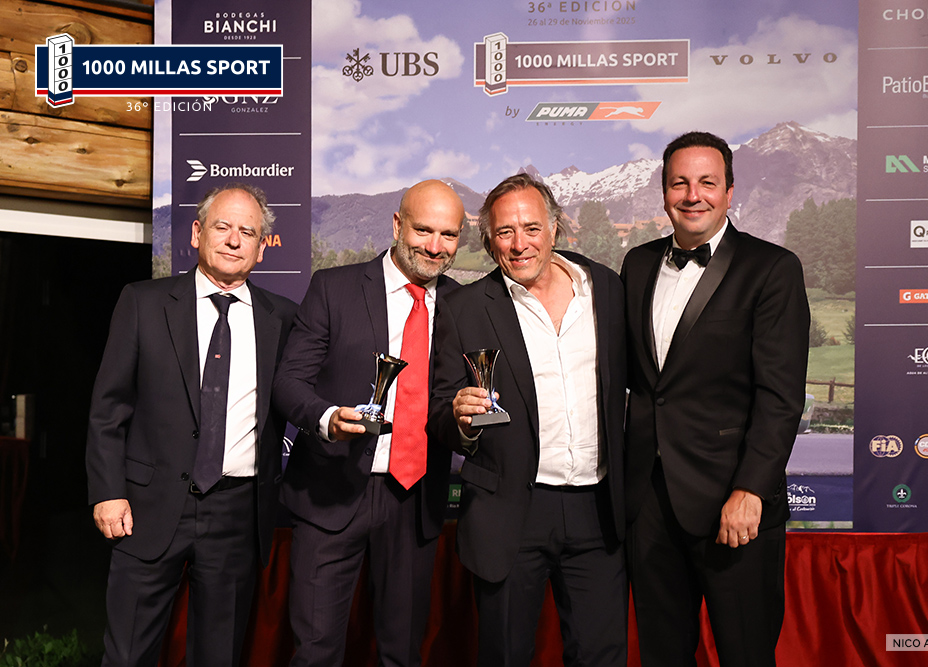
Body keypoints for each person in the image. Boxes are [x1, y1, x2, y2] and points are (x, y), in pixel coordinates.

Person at [86, 183, 297, 666]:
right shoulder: (143, 302)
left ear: (262, 248)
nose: (234, 240)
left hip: (238, 514)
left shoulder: (284, 319)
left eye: (248, 232)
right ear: (197, 233)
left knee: (219, 656)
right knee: (126, 656)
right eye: (223, 227)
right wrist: (107, 491)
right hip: (147, 508)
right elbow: (108, 408)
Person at [620, 131, 810, 666]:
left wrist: (751, 489)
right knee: (662, 654)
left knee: (746, 653)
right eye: (679, 183)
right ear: (663, 192)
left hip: (734, 502)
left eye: (707, 182)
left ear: (729, 191)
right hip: (649, 504)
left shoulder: (772, 268)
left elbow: (780, 397)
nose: (692, 195)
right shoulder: (637, 264)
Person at [429, 173, 629, 667]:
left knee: (602, 657)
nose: (520, 244)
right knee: (505, 656)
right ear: (489, 240)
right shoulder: (463, 308)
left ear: (555, 228)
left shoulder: (605, 287)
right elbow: (438, 412)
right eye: (505, 232)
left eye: (532, 228)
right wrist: (460, 419)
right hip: (510, 513)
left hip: (598, 510)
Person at [272, 179, 465, 667]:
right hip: (330, 491)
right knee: (315, 653)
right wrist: (327, 418)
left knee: (402, 653)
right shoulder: (333, 288)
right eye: (423, 230)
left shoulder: (465, 305)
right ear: (397, 225)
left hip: (415, 497)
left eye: (448, 235)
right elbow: (289, 382)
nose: (435, 247)